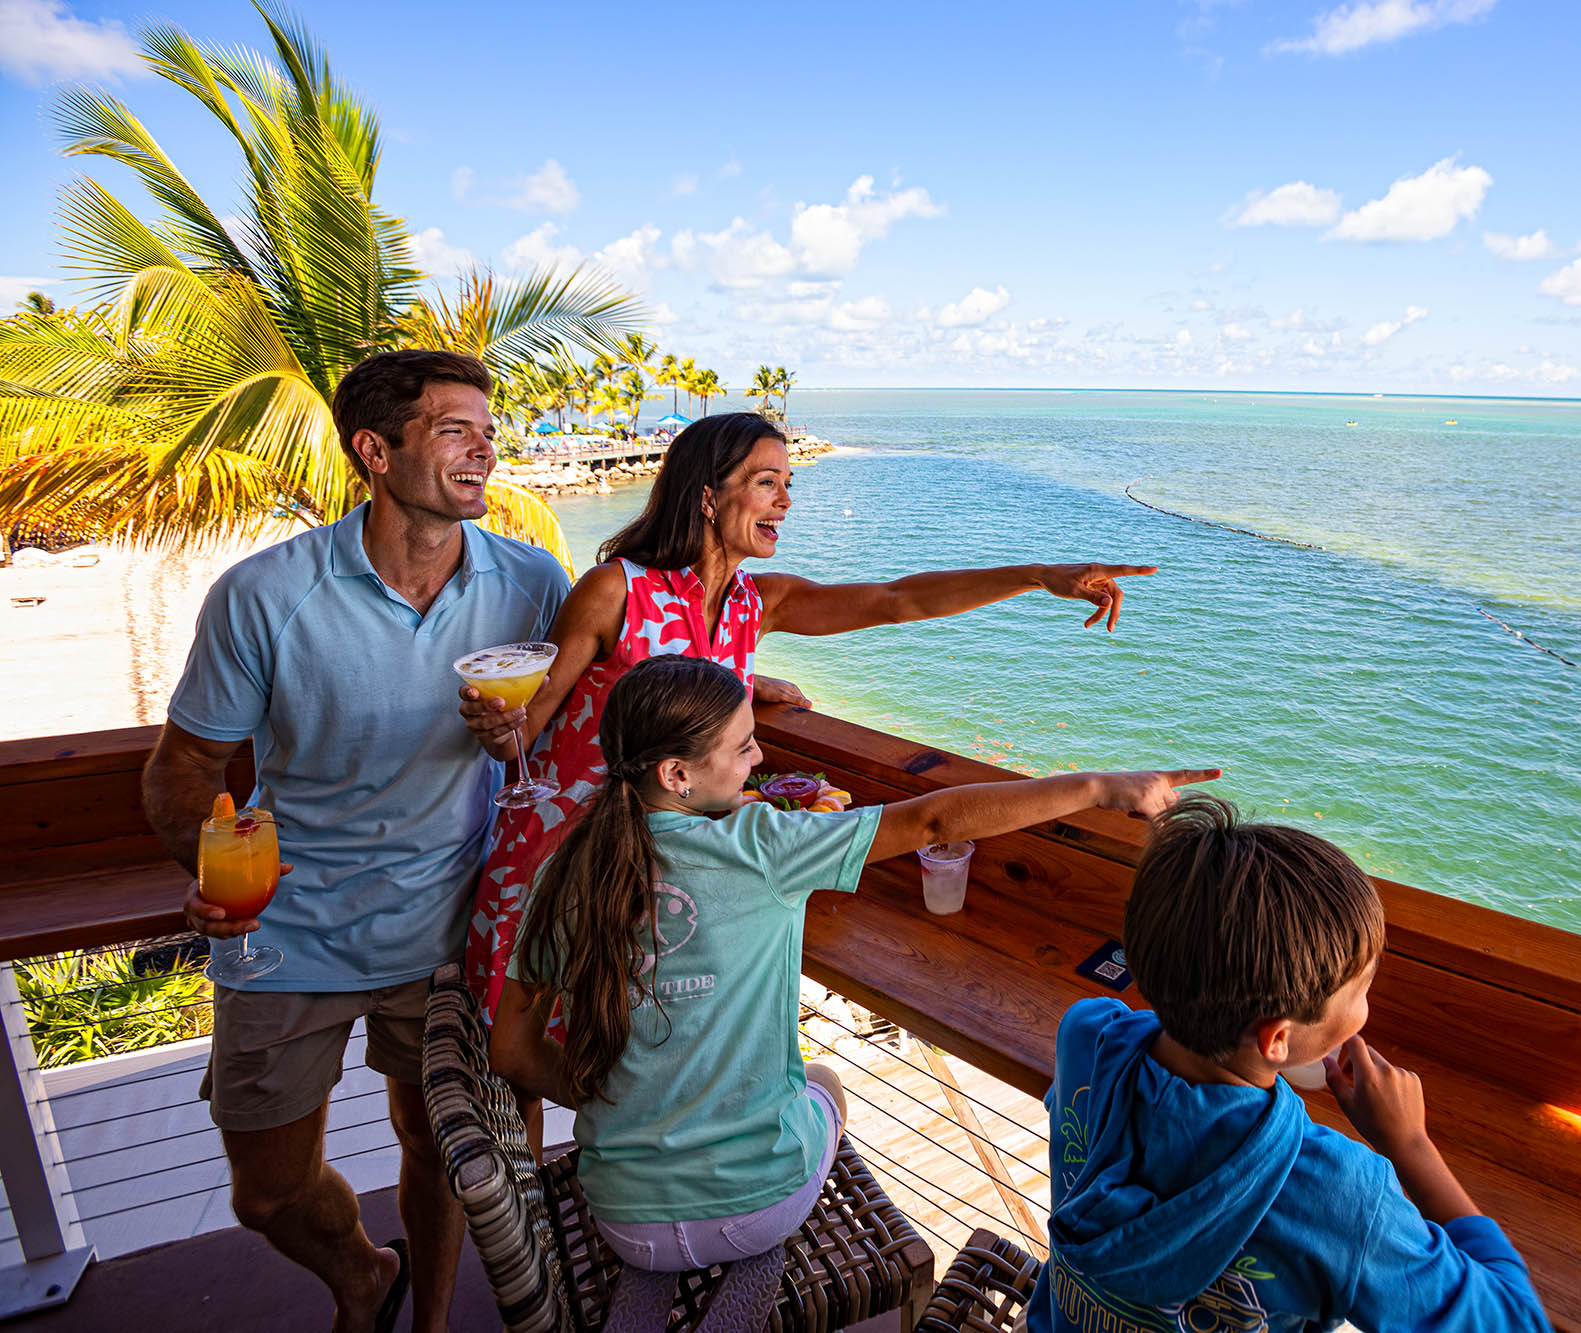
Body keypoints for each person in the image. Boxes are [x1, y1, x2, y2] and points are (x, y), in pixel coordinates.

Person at [488, 653, 1218, 1271]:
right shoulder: (763, 845)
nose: (761, 756)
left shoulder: (565, 871)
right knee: (827, 1082)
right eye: (743, 747)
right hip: (754, 1213)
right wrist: (1100, 786)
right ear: (678, 774)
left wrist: (619, 1096)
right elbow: (934, 819)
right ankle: (751, 1284)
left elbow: (513, 1049)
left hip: (623, 1220)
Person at [459, 409, 1157, 1030]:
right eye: (767, 482)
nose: (787, 501)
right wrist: (497, 728)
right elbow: (528, 728)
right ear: (708, 495)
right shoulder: (615, 590)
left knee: (623, 1056)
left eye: (788, 482)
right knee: (523, 1047)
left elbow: (895, 601)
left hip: (669, 876)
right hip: (567, 860)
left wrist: (1036, 575)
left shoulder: (753, 605)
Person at [144, 350, 569, 1333]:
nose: (486, 448)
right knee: (267, 1188)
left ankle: (423, 1320)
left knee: (443, 1147)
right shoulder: (264, 594)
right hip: (291, 928)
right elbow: (183, 768)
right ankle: (361, 1274)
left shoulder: (531, 580)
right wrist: (209, 872)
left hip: (454, 925)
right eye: (454, 429)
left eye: (487, 428)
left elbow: (597, 704)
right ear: (375, 451)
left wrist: (744, 688)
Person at [1027, 796, 1553, 1333]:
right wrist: (1408, 1144)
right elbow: (1514, 1320)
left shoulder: (1087, 1037)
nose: (1365, 1008)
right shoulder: (1337, 1193)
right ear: (1278, 1038)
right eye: (1362, 991)